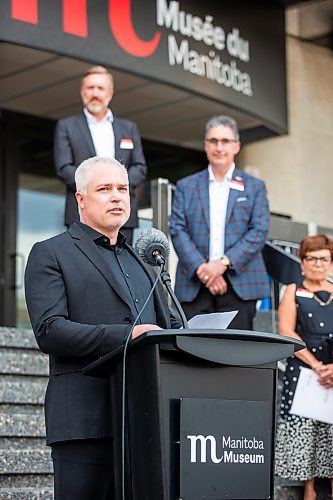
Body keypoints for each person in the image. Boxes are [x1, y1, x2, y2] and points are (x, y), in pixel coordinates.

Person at [24, 156, 180, 499]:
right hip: (84, 422)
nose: (117, 196)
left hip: (145, 424)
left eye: (123, 189)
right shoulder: (49, 253)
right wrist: (128, 336)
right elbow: (50, 330)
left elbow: (167, 329)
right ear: (81, 199)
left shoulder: (144, 261)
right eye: (105, 189)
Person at [169, 115, 270, 330]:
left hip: (240, 283)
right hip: (195, 282)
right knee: (194, 353)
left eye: (225, 141)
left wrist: (222, 264)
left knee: (236, 355)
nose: (219, 147)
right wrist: (203, 269)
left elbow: (259, 230)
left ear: (236, 146)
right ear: (205, 146)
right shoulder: (186, 186)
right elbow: (177, 229)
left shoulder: (254, 187)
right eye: (213, 141)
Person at [54, 65, 147, 244]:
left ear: (110, 93)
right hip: (81, 215)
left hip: (122, 216)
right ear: (82, 92)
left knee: (122, 271)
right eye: (90, 88)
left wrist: (116, 187)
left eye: (100, 88)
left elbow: (140, 168)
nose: (95, 93)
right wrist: (96, 187)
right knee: (83, 271)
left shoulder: (128, 128)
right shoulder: (67, 127)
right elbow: (64, 168)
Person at [275, 234, 333, 500]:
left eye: (323, 259)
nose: (317, 264)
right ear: (302, 263)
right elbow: (286, 331)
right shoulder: (292, 290)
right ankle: (309, 491)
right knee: (307, 445)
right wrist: (317, 366)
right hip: (304, 374)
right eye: (311, 258)